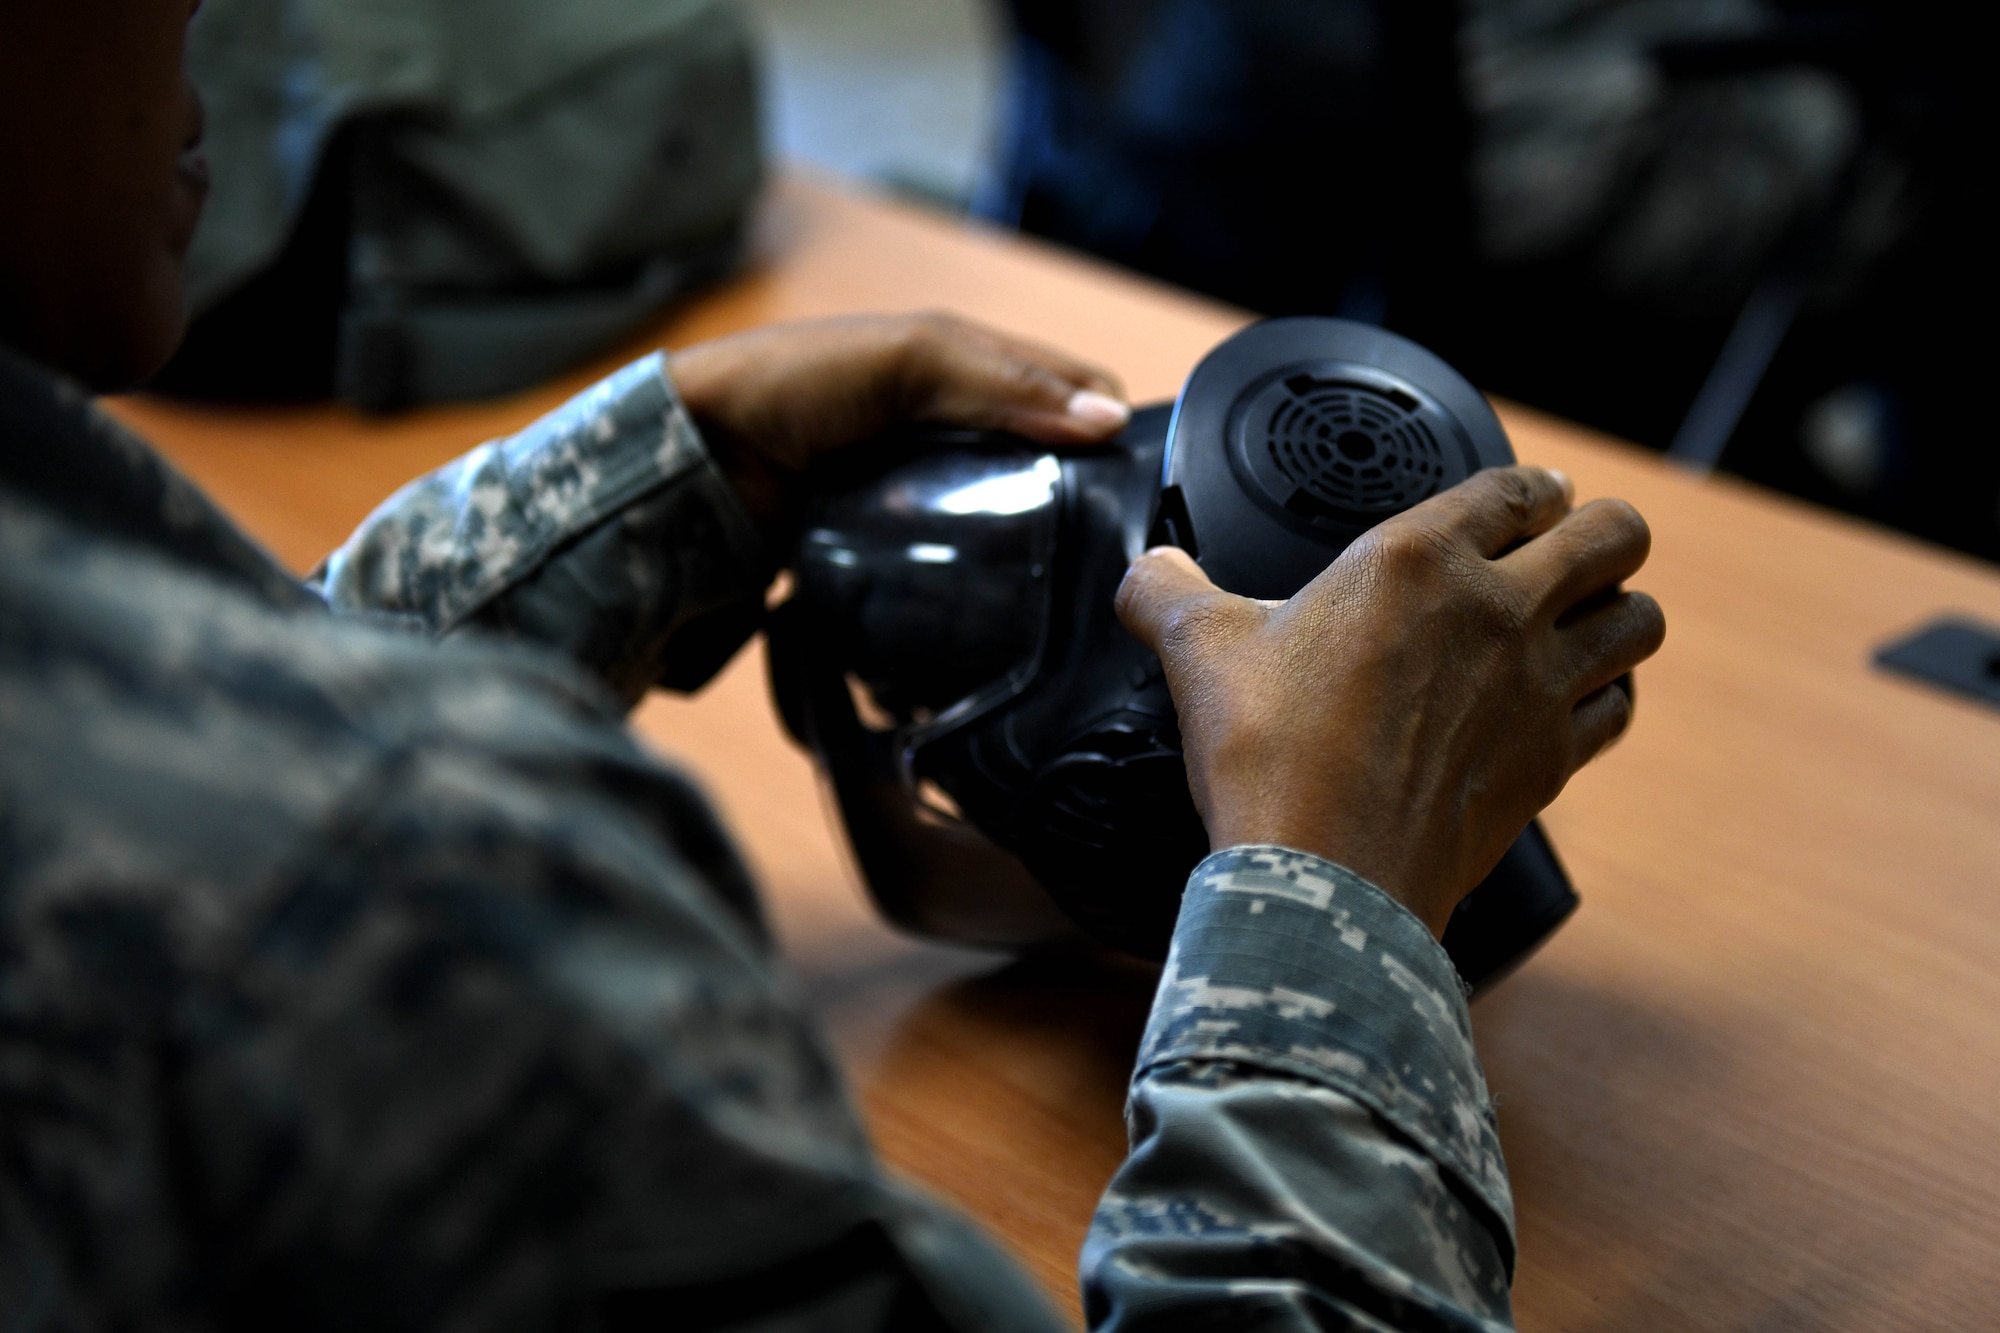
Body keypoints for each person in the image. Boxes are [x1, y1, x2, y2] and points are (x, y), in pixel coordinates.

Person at [0, 2, 1666, 1330]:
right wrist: (1329, 913)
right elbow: (276, 860)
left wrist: (650, 486)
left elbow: (165, 742)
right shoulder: (402, 881)